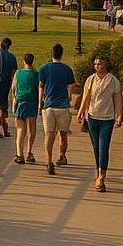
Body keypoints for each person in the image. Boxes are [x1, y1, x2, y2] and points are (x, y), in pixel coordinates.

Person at [76, 55, 123, 192]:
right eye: (95, 64)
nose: (98, 66)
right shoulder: (91, 80)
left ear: (106, 65)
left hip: (107, 119)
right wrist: (80, 113)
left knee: (103, 147)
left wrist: (119, 115)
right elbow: (86, 96)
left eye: (100, 64)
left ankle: (102, 176)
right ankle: (98, 170)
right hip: (92, 117)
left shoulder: (112, 80)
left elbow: (117, 99)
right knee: (96, 147)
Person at [37, 45, 76, 176]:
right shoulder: (67, 69)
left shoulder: (43, 68)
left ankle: (48, 161)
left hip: (49, 105)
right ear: (62, 54)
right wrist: (69, 98)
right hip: (62, 106)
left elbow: (41, 86)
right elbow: (70, 87)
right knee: (63, 134)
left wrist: (40, 102)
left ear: (51, 53)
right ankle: (62, 155)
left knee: (49, 134)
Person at [11, 52, 39, 165]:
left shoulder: (18, 73)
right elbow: (39, 88)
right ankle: (29, 152)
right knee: (32, 128)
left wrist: (13, 99)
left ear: (24, 61)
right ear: (32, 61)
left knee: (20, 129)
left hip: (20, 101)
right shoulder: (36, 74)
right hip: (32, 102)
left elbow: (13, 88)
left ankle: (19, 154)